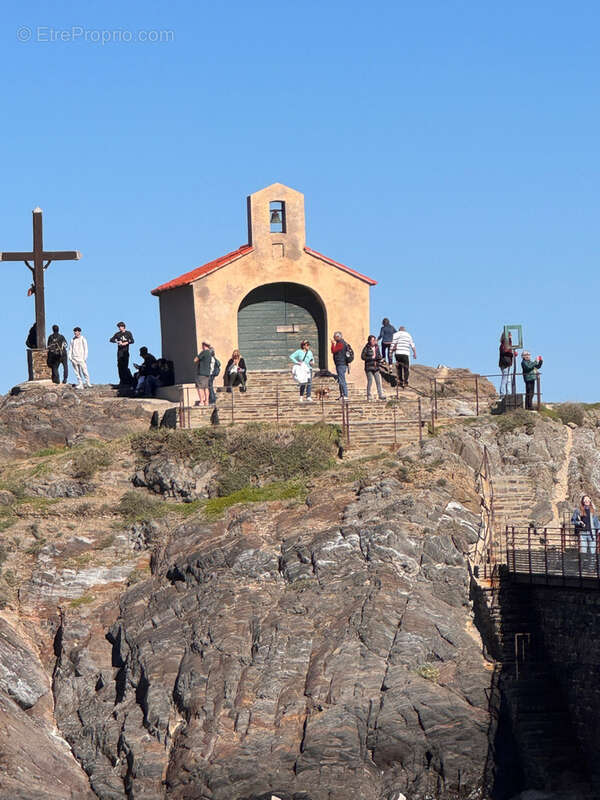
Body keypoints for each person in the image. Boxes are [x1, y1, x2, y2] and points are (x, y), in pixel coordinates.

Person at [361, 335, 386, 401]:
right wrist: (370, 358)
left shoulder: (377, 347)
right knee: (370, 381)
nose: (374, 342)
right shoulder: (366, 348)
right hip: (369, 367)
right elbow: (363, 357)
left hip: (376, 366)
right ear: (369, 341)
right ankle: (369, 395)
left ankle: (380, 395)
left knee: (378, 381)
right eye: (372, 340)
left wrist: (380, 359)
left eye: (374, 340)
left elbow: (379, 355)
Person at [331, 331, 349, 400]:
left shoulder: (341, 344)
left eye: (334, 336)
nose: (333, 338)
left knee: (342, 380)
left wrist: (333, 344)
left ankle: (345, 394)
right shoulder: (341, 343)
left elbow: (334, 351)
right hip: (340, 364)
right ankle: (342, 395)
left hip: (341, 364)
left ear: (338, 337)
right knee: (340, 379)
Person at [193, 342, 213, 406]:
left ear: (204, 345)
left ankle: (201, 401)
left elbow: (195, 360)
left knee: (200, 387)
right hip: (207, 373)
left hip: (201, 373)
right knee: (206, 387)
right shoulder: (209, 353)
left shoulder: (203, 352)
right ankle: (206, 401)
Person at [498, 331, 516, 395]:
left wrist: (512, 353)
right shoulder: (504, 344)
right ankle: (502, 394)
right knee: (505, 379)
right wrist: (512, 353)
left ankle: (508, 393)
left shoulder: (505, 344)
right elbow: (505, 351)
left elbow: (507, 351)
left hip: (507, 363)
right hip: (505, 364)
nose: (511, 336)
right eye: (510, 335)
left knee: (508, 380)